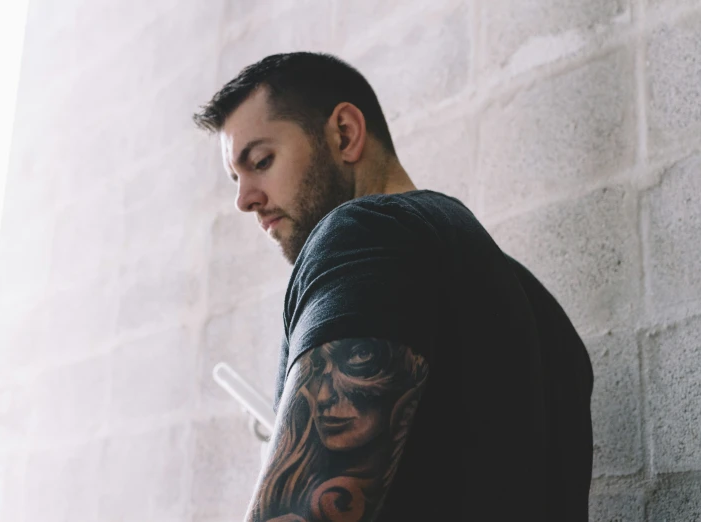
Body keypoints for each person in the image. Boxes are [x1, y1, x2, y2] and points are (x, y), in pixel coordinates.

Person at [193, 52, 593, 522]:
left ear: (344, 133)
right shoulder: (538, 307)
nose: (244, 200)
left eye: (261, 160)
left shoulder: (363, 233)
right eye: (236, 178)